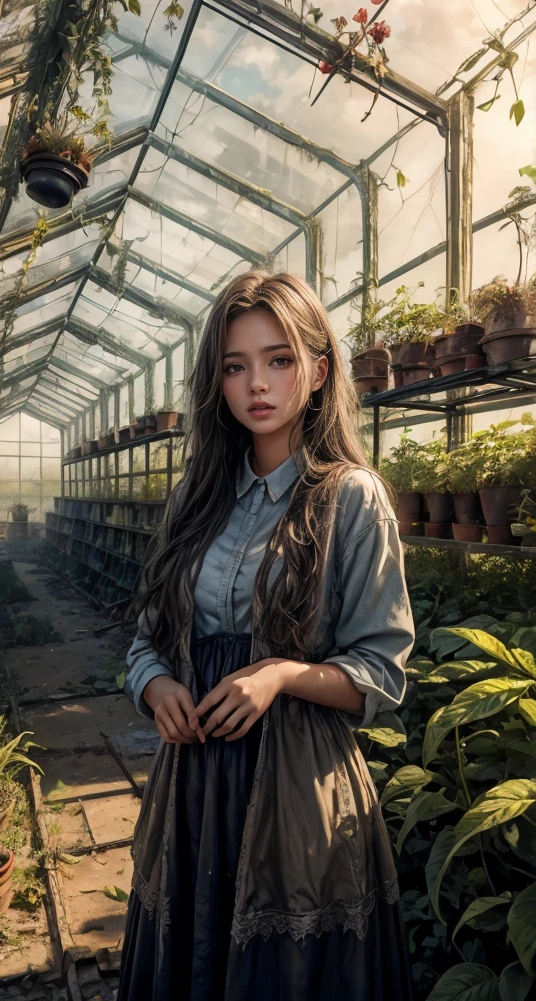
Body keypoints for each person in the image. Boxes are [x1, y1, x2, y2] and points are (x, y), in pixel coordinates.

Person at [119, 271, 415, 1001]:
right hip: (192, 789)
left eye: (279, 359)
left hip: (296, 793)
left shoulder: (351, 497)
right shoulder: (196, 497)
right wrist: (155, 686)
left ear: (317, 372)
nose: (258, 383)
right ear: (216, 381)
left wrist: (279, 674)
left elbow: (383, 671)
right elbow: (146, 638)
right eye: (235, 365)